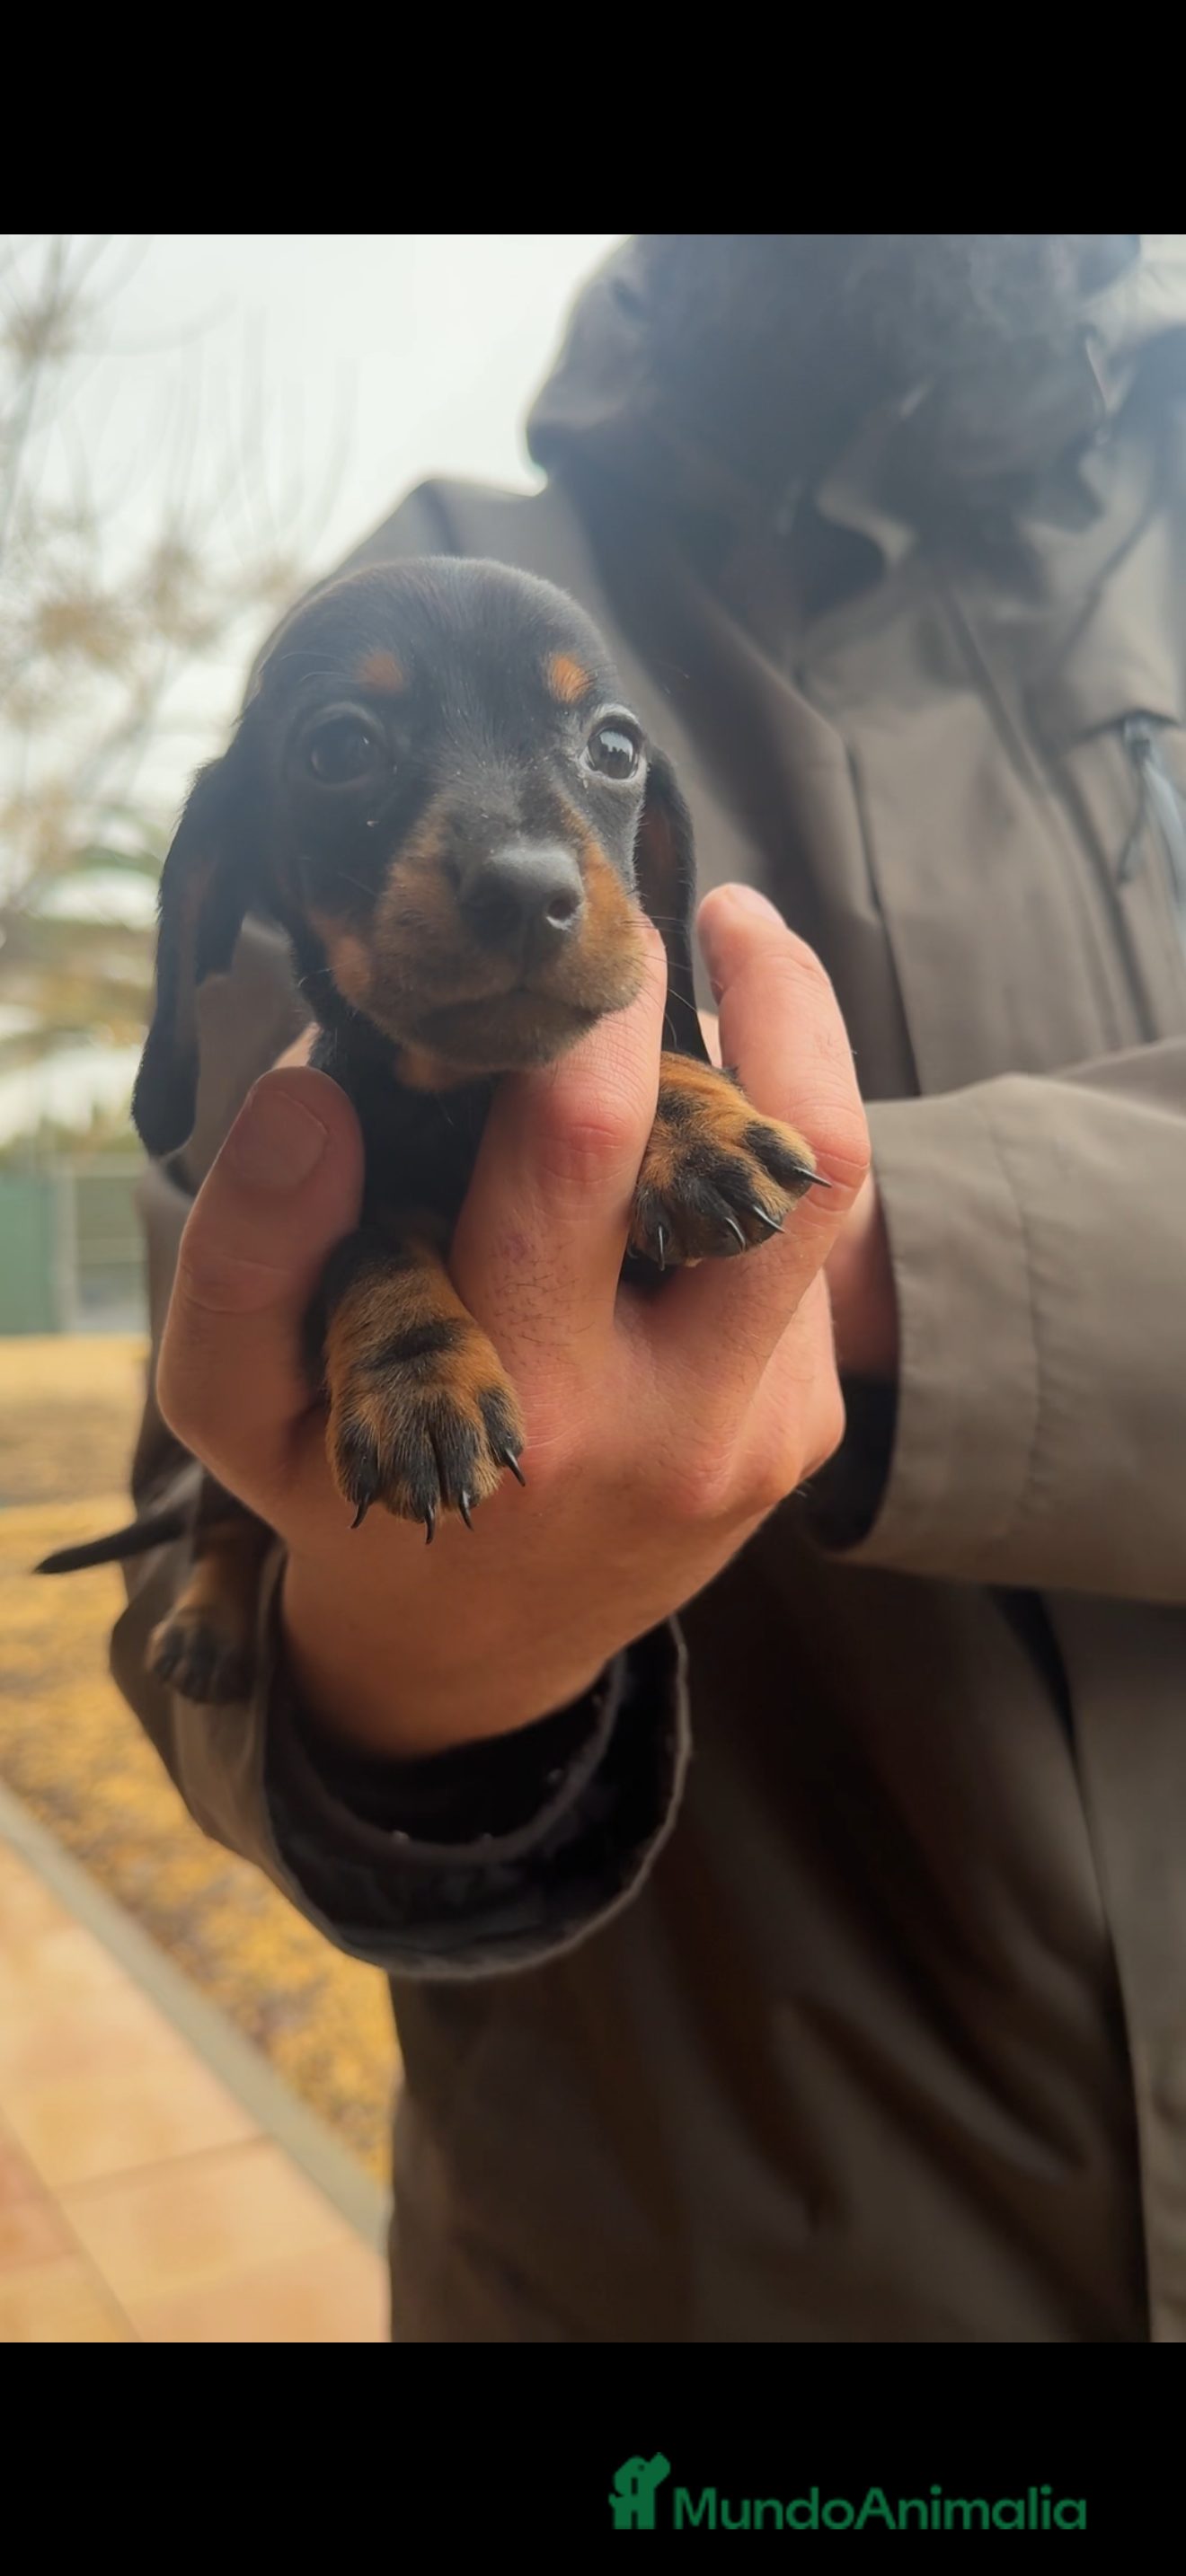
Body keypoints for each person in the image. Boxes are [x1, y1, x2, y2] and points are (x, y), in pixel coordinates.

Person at [112, 236, 1186, 2342]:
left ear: (655, 842)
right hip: (687, 2244)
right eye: (353, 757)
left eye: (595, 760)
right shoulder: (448, 557)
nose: (522, 863)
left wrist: (865, 1255)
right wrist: (388, 1691)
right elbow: (211, 1464)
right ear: (231, 883)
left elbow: (729, 1131)